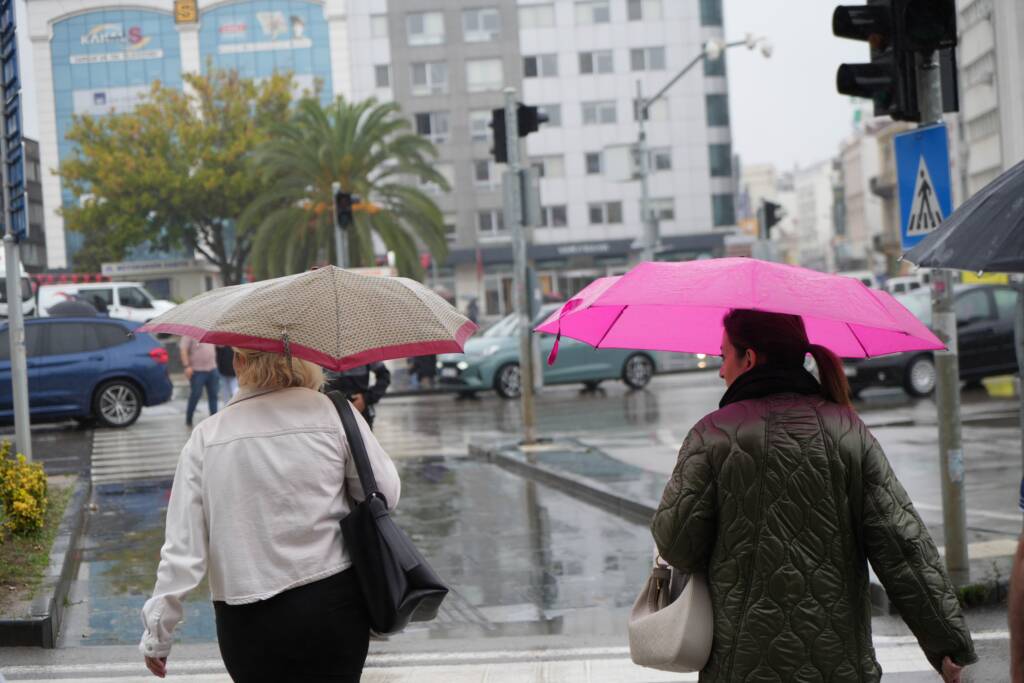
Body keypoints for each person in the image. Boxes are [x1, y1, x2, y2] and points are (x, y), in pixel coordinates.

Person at [650, 309, 976, 683]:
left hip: (741, 667)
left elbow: (676, 545)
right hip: (841, 666)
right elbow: (902, 546)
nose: (720, 370)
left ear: (750, 359)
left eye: (724, 356)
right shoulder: (848, 431)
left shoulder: (711, 436)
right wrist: (948, 643)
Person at [139, 348, 400, 681]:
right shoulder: (334, 412)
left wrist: (158, 634)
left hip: (246, 614)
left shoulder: (207, 437)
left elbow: (183, 549)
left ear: (239, 362)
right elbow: (385, 495)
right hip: (333, 602)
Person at [324, 361, 391, 430]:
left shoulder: (364, 352)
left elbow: (384, 376)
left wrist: (365, 398)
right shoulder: (322, 354)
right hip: (331, 413)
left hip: (361, 413)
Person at [180, 335, 219, 428]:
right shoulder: (189, 334)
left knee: (213, 396)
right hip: (197, 371)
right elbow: (183, 350)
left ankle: (214, 420)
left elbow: (219, 345)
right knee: (195, 395)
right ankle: (189, 419)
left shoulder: (209, 331)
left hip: (212, 369)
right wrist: (187, 366)